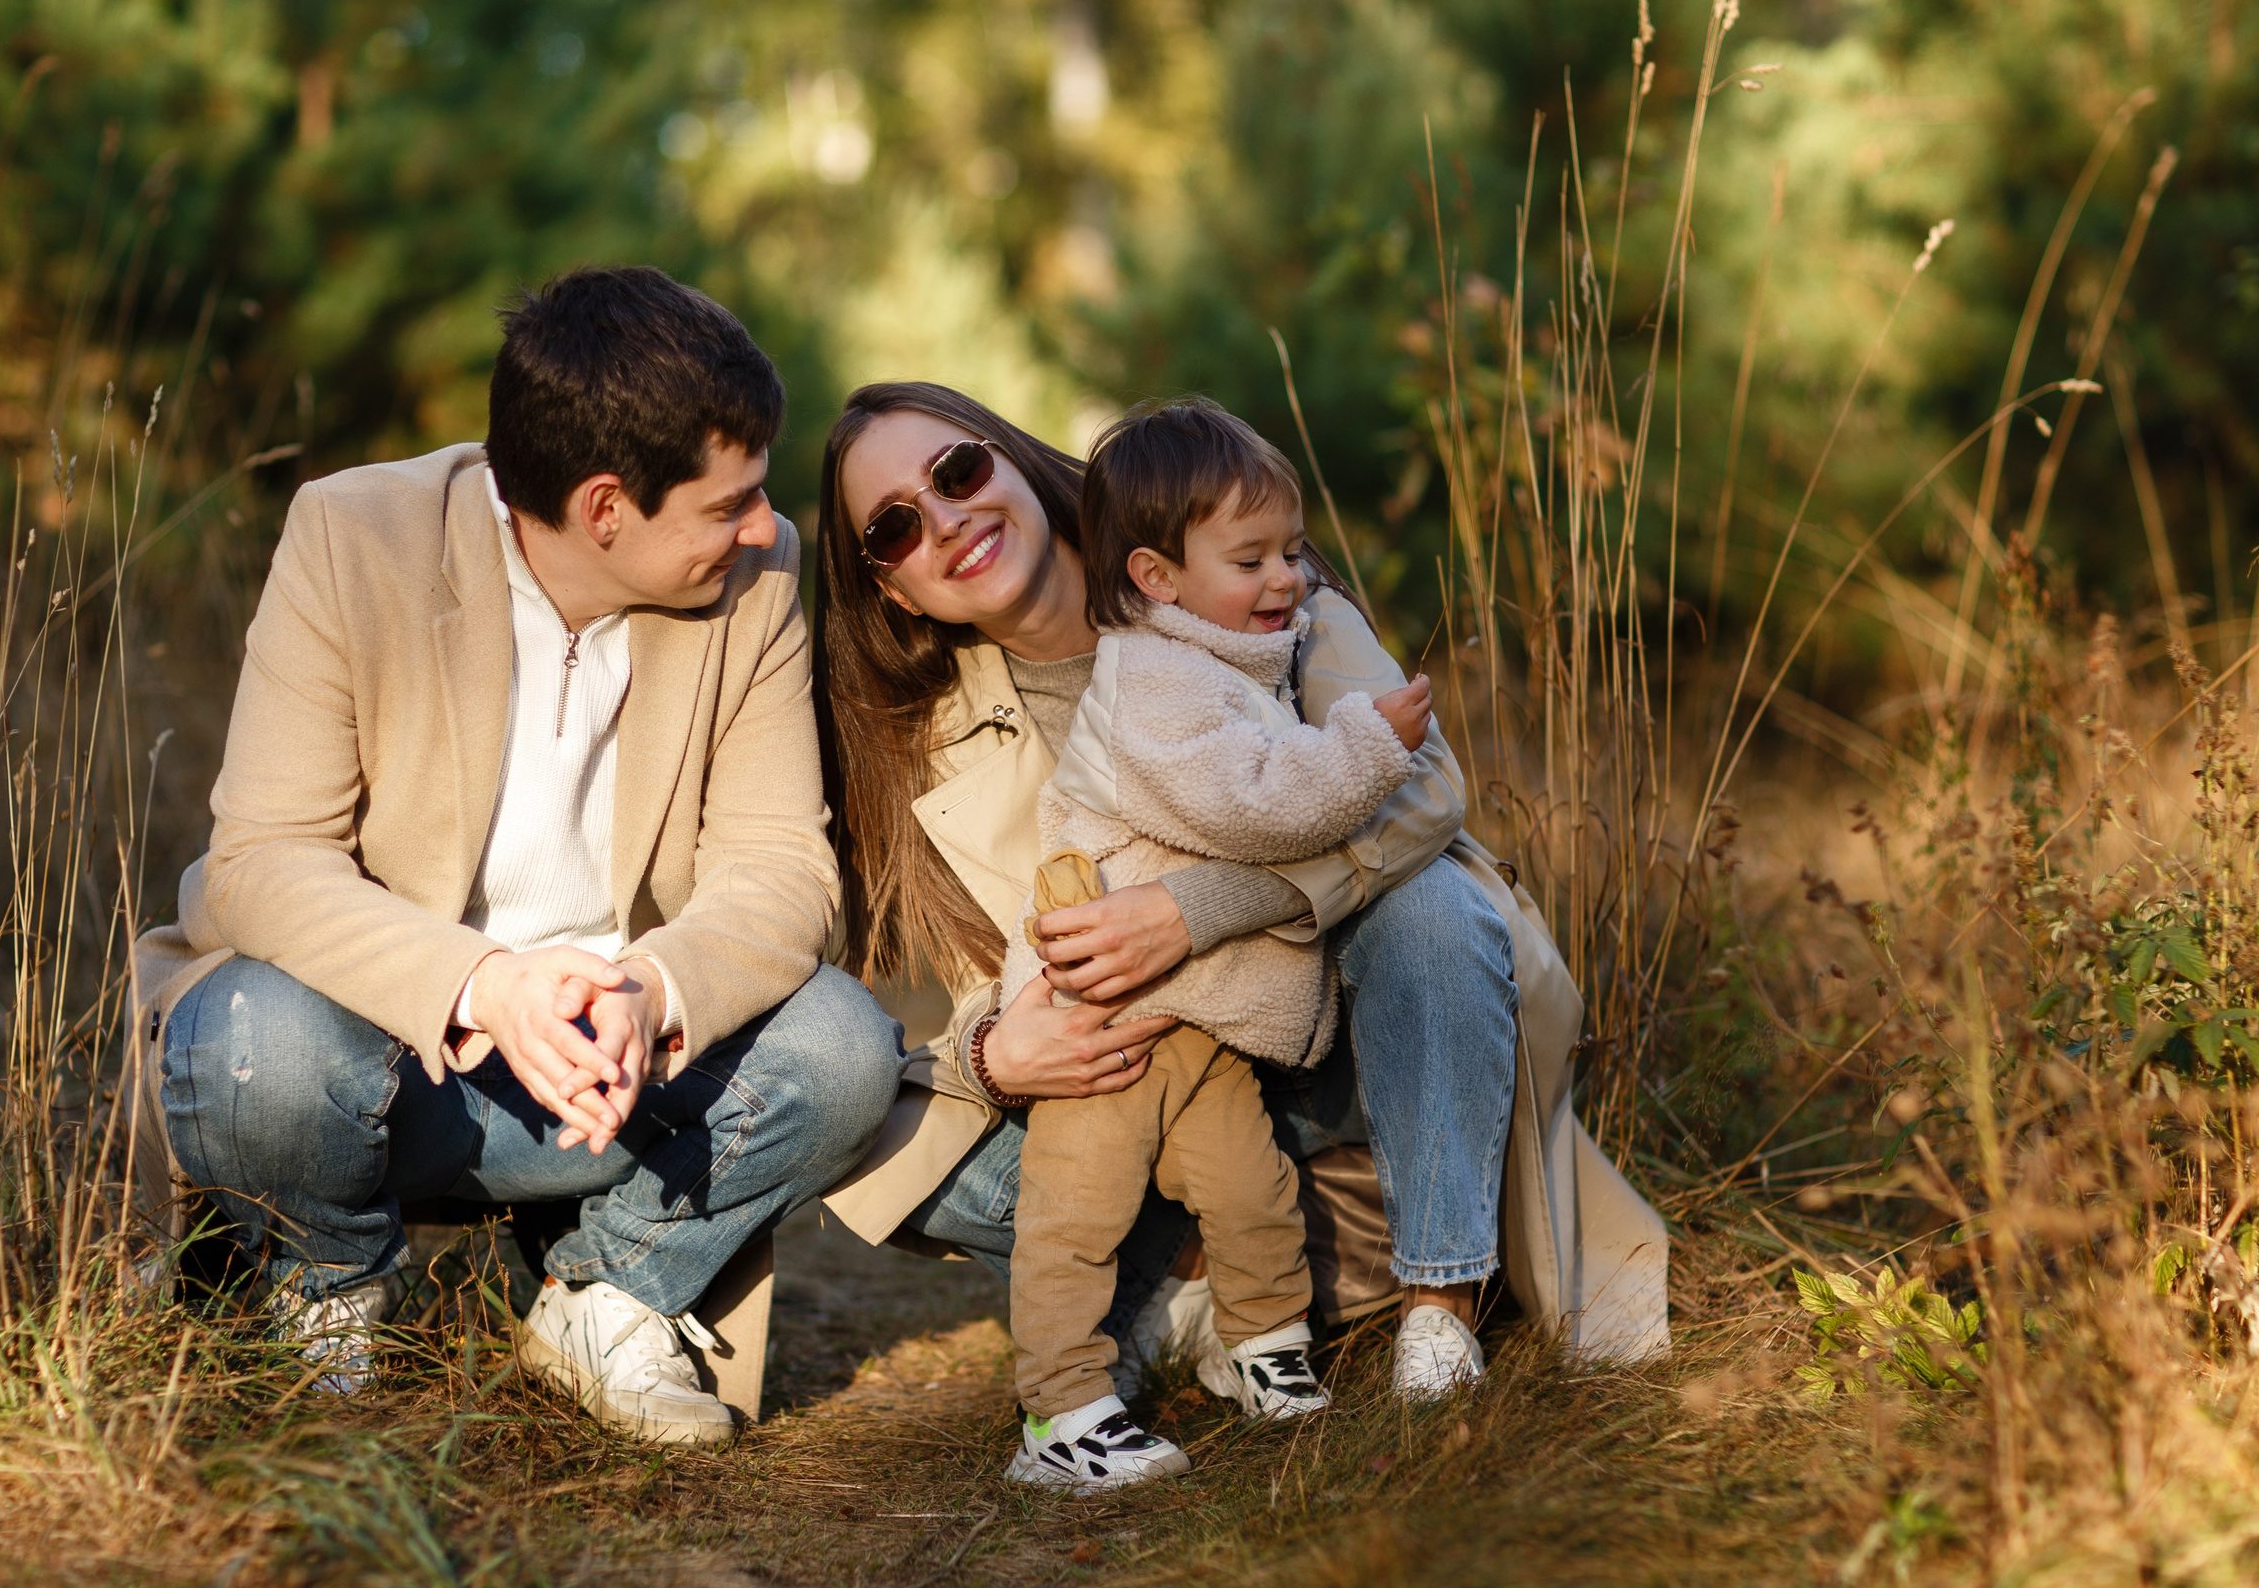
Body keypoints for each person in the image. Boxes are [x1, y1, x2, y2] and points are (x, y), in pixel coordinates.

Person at [128, 266, 901, 1444]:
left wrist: (650, 990)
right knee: (250, 1040)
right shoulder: (355, 536)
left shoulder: (758, 580)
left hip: (618, 1080)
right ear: (604, 508)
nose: (760, 524)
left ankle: (605, 1295)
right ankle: (329, 1292)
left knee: (846, 1047)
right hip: (375, 1060)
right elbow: (265, 862)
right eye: (725, 502)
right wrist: (486, 984)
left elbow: (782, 868)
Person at [809, 381, 1669, 1417]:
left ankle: (1430, 1298)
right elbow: (986, 978)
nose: (944, 519)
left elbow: (1423, 789)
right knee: (894, 1142)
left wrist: (1197, 911)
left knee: (1430, 911)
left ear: (1013, 462)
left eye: (957, 471)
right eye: (896, 526)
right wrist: (997, 1052)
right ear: (893, 589)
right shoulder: (924, 744)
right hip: (1164, 1078)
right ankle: (1242, 1281)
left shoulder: (1234, 556)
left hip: (1342, 1025)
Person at [1001, 399, 1436, 1488]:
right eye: (1250, 558)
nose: (1288, 577)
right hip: (1102, 1026)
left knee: (1252, 1194)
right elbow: (1249, 805)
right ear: (1156, 576)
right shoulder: (1155, 678)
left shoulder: (1235, 661)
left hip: (1193, 1027)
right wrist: (1364, 745)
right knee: (1076, 1219)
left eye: (1290, 550)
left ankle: (1259, 1347)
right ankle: (1058, 1417)